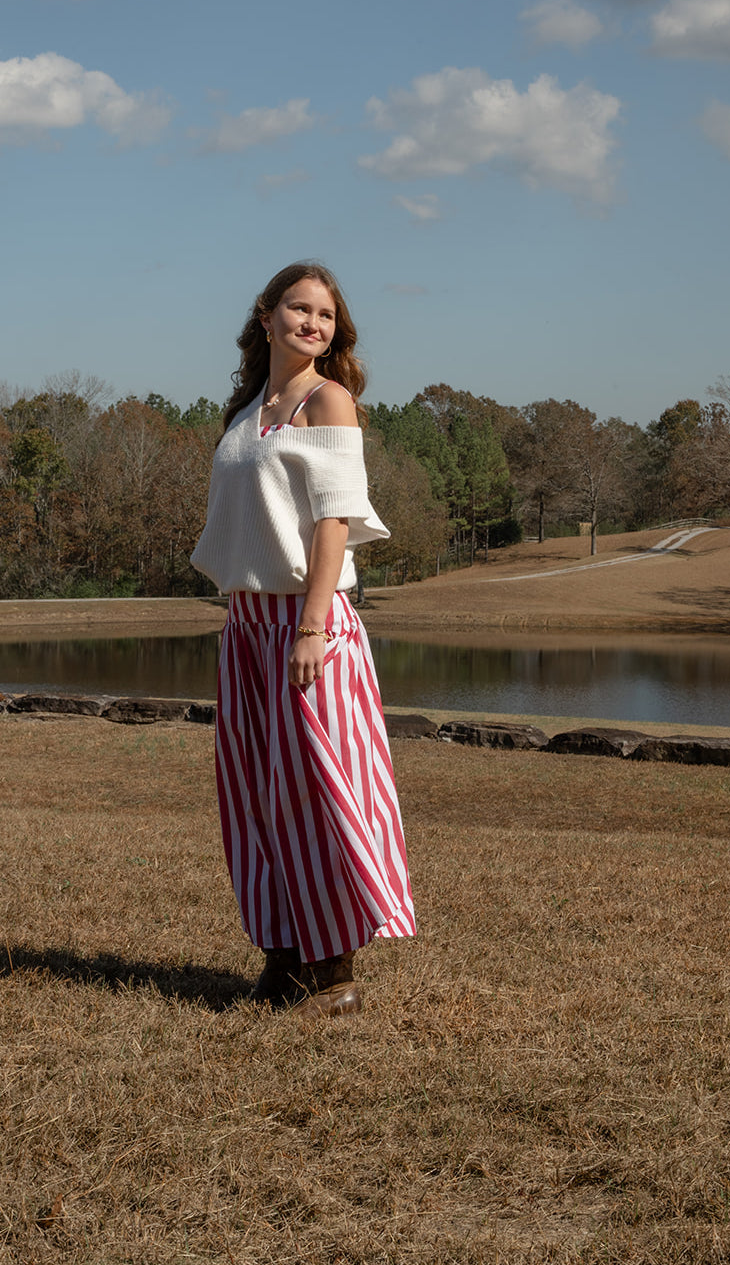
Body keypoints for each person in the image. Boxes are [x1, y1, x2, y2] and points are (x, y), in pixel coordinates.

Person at [191, 262, 415, 1019]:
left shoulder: (329, 401)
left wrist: (313, 624)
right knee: (257, 797)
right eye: (298, 308)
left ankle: (334, 977)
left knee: (321, 795)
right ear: (266, 315)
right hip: (249, 625)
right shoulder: (247, 408)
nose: (311, 324)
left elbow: (332, 521)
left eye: (324, 315)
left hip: (305, 623)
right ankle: (282, 958)